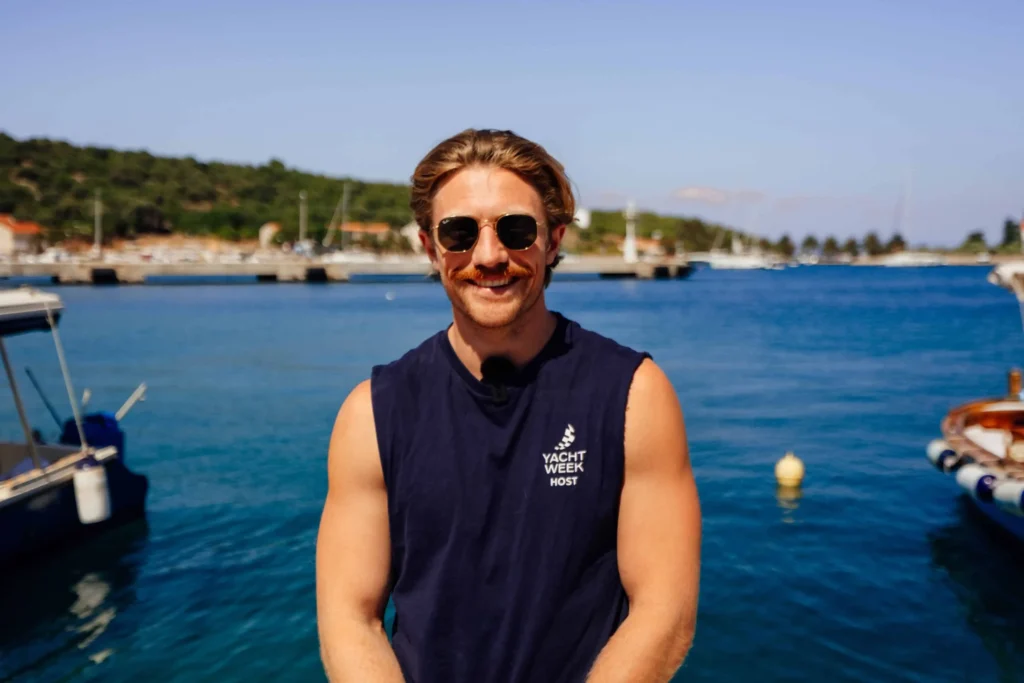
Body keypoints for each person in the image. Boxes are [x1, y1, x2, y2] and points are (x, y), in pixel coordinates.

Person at [316, 129, 701, 682]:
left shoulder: (634, 396)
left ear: (553, 241)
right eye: (459, 232)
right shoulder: (373, 414)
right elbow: (350, 618)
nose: (489, 255)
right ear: (430, 248)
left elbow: (664, 612)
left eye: (516, 230)